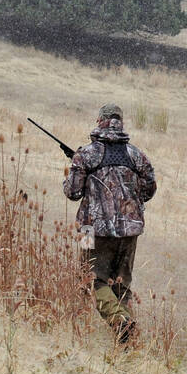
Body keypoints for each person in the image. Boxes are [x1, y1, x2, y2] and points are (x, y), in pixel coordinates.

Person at [62, 103, 156, 344]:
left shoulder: (87, 154)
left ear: (99, 121)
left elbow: (72, 192)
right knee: (121, 285)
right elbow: (149, 189)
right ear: (120, 123)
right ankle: (129, 342)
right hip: (130, 230)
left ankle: (120, 323)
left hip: (91, 229)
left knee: (91, 279)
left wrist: (77, 168)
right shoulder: (136, 155)